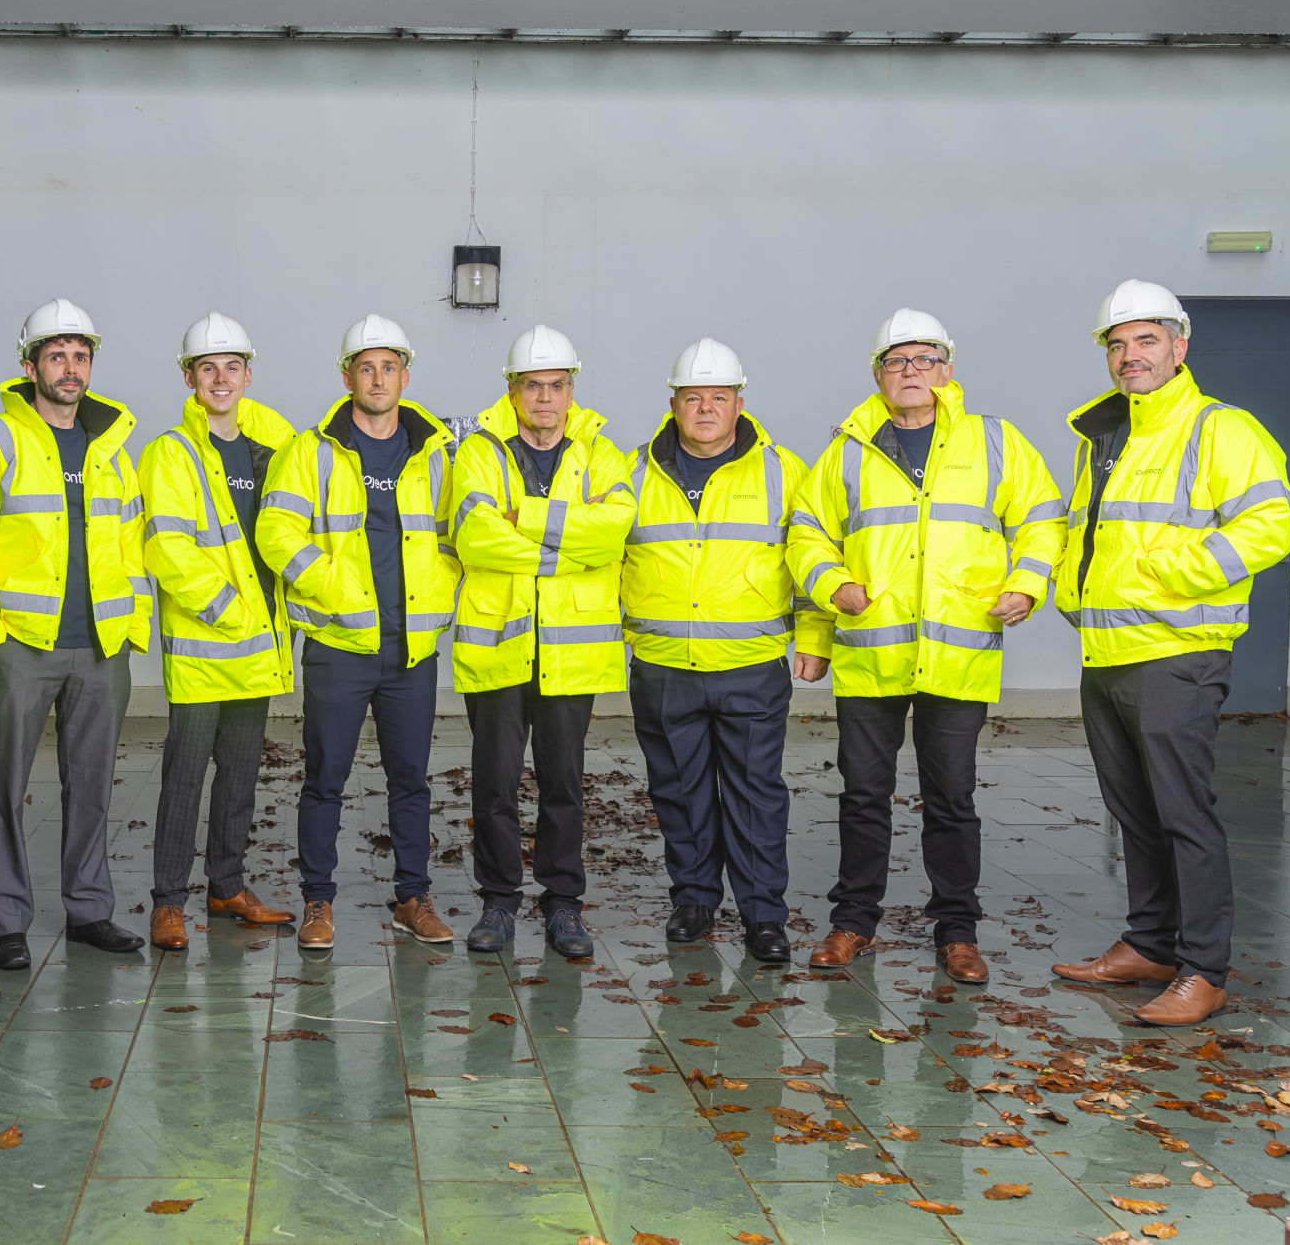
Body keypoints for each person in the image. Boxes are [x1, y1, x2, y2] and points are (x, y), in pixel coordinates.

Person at [787, 308, 1064, 984]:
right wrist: (834, 593)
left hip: (957, 652)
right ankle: (853, 923)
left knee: (952, 798)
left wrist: (1027, 585)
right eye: (896, 361)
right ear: (878, 375)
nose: (910, 373)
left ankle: (958, 932)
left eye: (924, 359)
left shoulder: (995, 442)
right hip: (872, 654)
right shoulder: (847, 449)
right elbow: (806, 534)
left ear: (947, 369)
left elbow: (1042, 516)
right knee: (862, 795)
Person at [1050, 280, 1290, 1025]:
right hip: (1108, 650)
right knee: (1135, 813)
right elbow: (1089, 533)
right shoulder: (1106, 435)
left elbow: (1268, 527)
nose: (1130, 356)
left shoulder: (1220, 429)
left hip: (1176, 653)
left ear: (1180, 346)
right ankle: (1151, 945)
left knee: (1184, 813)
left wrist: (1167, 576)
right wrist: (1073, 591)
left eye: (1146, 340)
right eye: (1117, 344)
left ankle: (1205, 970)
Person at [0, 299, 152, 962]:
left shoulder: (111, 447)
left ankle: (89, 911)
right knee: (6, 783)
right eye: (56, 355)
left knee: (91, 784)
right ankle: (8, 921)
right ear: (29, 364)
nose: (70, 368)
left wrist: (130, 629)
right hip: (23, 646)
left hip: (99, 647)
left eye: (80, 356)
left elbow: (130, 546)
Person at [255, 314, 460, 951]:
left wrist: (440, 589)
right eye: (365, 367)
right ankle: (318, 902)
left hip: (411, 651)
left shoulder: (433, 452)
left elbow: (458, 534)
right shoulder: (310, 451)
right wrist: (339, 589)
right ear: (347, 377)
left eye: (388, 367)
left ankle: (412, 898)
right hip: (340, 647)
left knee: (412, 780)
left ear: (405, 374)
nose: (377, 379)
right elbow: (275, 533)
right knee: (324, 778)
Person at [622, 338, 831, 962]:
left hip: (751, 668)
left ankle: (764, 915)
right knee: (679, 792)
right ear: (673, 403)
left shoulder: (783, 471)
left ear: (740, 402)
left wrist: (816, 637)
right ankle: (694, 900)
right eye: (694, 397)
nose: (706, 408)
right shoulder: (631, 473)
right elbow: (604, 565)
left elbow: (813, 554)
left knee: (756, 795)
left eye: (719, 396)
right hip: (662, 668)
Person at [452, 324, 635, 959]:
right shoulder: (478, 451)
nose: (546, 399)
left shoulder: (602, 454)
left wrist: (524, 522)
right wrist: (567, 547)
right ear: (513, 389)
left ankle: (563, 905)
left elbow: (612, 534)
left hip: (570, 651)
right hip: (499, 646)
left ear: (571, 388)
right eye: (534, 386)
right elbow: (474, 536)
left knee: (563, 785)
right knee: (494, 786)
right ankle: (499, 902)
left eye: (557, 386)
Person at [140, 313, 297, 951]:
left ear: (248, 374)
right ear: (189, 378)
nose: (221, 379)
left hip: (260, 645)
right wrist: (231, 609)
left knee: (238, 774)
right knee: (185, 775)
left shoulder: (274, 451)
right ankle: (168, 901)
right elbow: (169, 548)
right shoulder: (171, 453)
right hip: (208, 647)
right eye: (208, 368)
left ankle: (227, 884)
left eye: (232, 367)